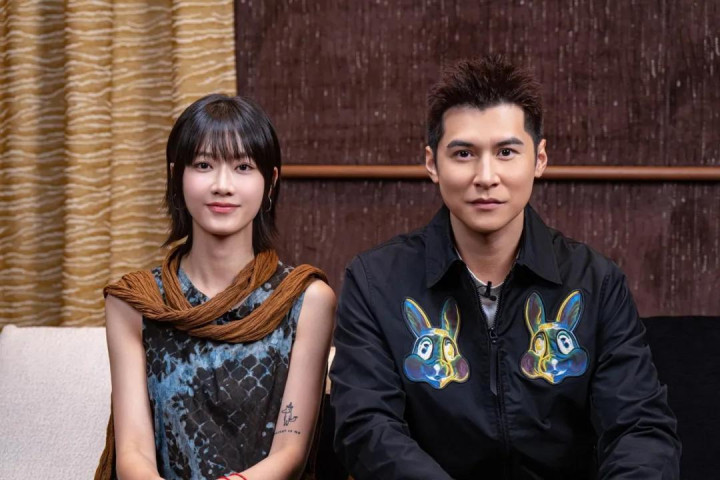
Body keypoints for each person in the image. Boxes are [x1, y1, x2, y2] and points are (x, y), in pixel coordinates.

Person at [330, 56, 680, 479]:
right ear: (432, 164)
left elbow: (639, 428)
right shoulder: (376, 282)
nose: (486, 176)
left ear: (539, 159)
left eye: (506, 152)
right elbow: (366, 428)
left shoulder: (595, 282)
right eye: (463, 153)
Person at [97, 94, 335, 480]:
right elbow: (133, 452)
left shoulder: (305, 299)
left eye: (243, 167)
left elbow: (291, 452)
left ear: (270, 181)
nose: (223, 185)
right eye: (204, 165)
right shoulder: (135, 302)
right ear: (176, 175)